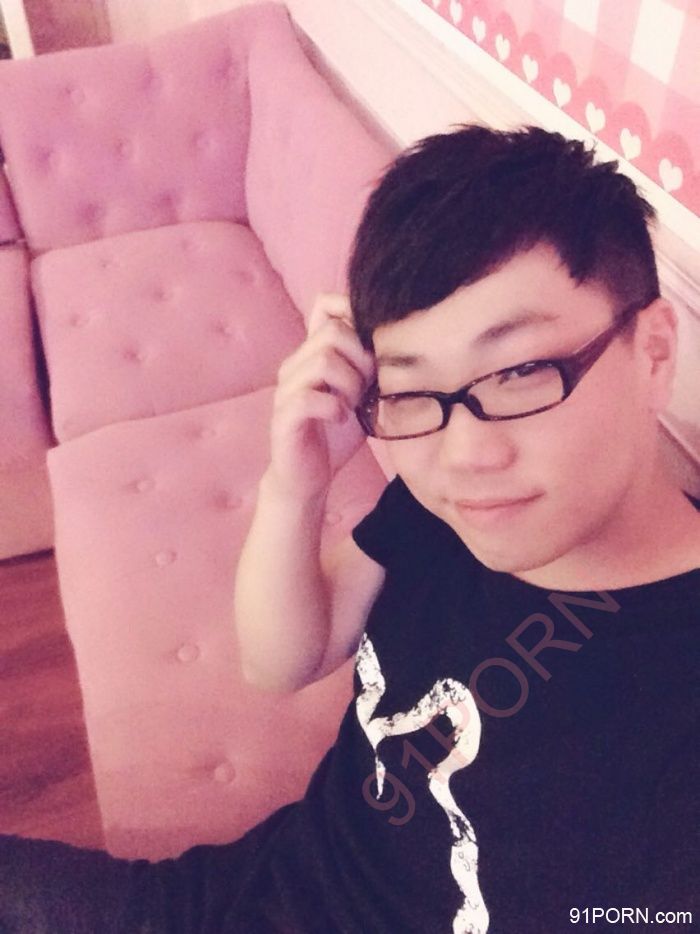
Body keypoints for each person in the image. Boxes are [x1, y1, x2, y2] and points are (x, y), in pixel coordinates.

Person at [1, 124, 698, 933]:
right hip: (235, 897)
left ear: (653, 352)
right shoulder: (440, 513)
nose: (466, 455)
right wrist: (294, 484)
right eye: (414, 392)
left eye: (518, 372)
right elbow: (279, 661)